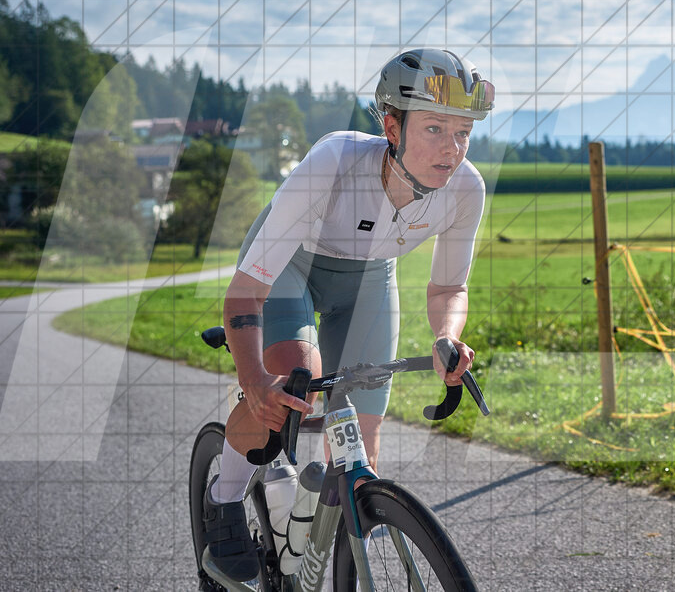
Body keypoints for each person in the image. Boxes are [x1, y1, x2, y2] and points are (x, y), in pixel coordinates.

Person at [201, 48, 495, 581]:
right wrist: (255, 380)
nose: (451, 150)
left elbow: (449, 286)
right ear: (391, 125)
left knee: (359, 456)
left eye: (463, 133)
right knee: (294, 387)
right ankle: (223, 497)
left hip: (367, 279)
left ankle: (318, 544)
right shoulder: (334, 162)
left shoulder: (465, 189)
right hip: (291, 264)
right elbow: (246, 291)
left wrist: (447, 337)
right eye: (434, 129)